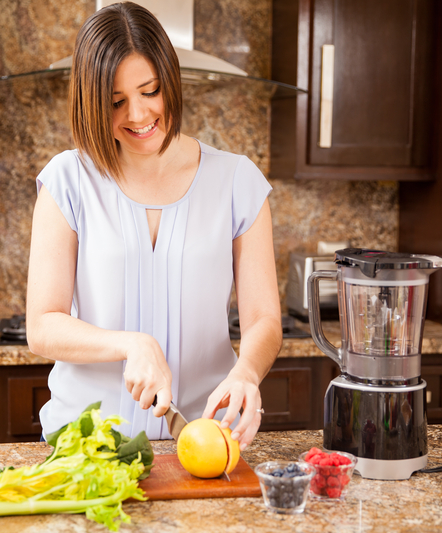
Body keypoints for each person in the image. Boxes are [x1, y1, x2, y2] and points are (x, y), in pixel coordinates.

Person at [26, 1, 281, 450]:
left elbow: (264, 319)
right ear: (90, 103)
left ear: (171, 81)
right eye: (116, 102)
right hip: (86, 443)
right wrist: (132, 344)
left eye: (151, 91)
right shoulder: (68, 181)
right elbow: (43, 326)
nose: (139, 115)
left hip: (205, 439)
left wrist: (246, 372)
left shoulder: (237, 182)